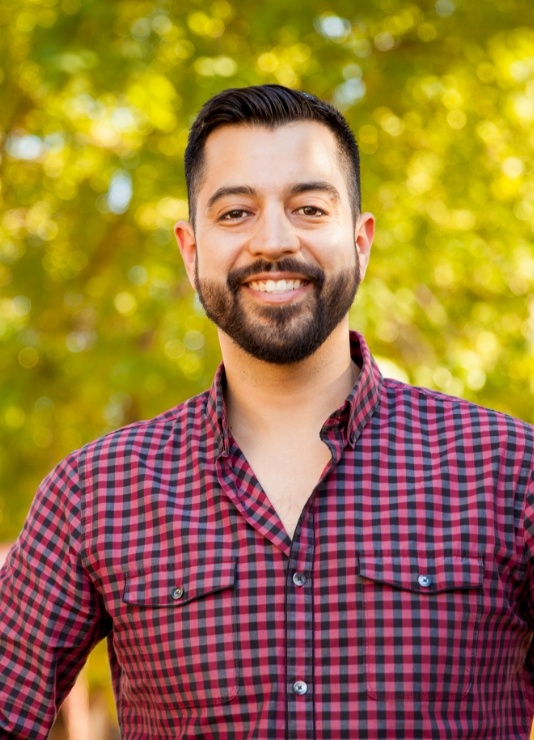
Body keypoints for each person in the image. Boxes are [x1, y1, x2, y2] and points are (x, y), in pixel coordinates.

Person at [1, 84, 534, 740]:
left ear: (360, 240)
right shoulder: (95, 494)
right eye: (235, 214)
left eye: (309, 208)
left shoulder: (511, 470)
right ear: (190, 250)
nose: (273, 241)